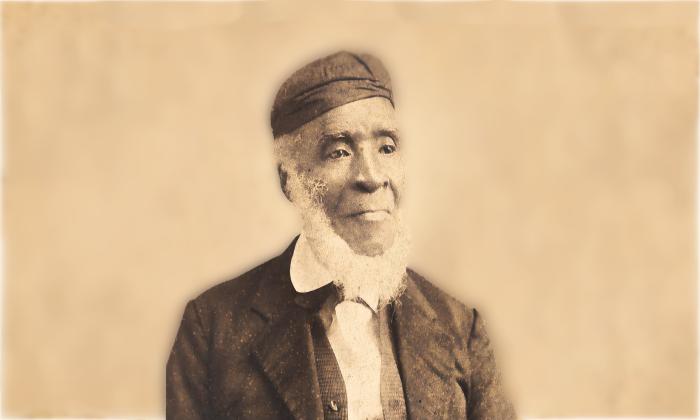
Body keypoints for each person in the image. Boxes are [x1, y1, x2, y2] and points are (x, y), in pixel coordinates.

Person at [166, 51, 516, 420]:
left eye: (387, 148)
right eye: (339, 151)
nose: (371, 176)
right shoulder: (212, 326)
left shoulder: (459, 326)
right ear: (290, 180)